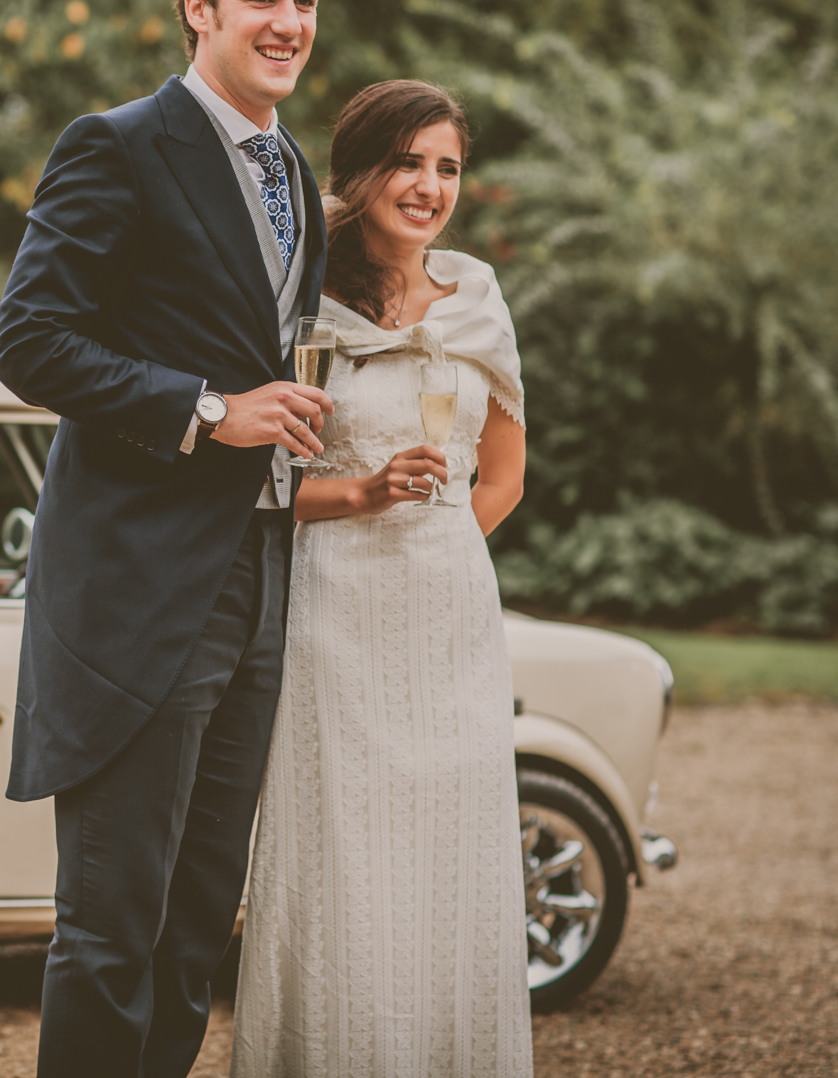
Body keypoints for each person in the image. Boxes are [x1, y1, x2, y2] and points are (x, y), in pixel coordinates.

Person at [0, 0, 332, 1078]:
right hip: (139, 593)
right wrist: (210, 410)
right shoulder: (119, 143)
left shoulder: (294, 164)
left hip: (260, 581)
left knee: (196, 932)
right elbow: (30, 341)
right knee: (112, 932)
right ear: (199, 6)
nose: (287, 21)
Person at [230, 80, 534, 1076]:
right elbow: (262, 485)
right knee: (343, 862)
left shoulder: (479, 296)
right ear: (358, 173)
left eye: (447, 166)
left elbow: (502, 476)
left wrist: (440, 553)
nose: (430, 185)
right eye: (409, 161)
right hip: (333, 613)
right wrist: (360, 499)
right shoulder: (301, 301)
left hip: (450, 622)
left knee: (451, 857)